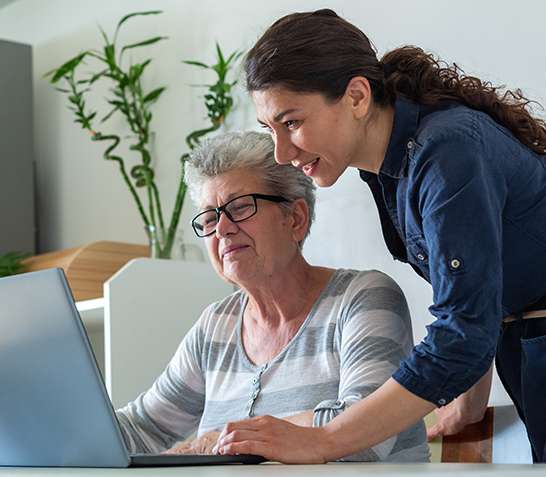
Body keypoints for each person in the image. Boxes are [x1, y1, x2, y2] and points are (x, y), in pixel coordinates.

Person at [213, 9, 546, 463]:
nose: (282, 152)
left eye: (291, 122)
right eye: (270, 129)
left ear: (356, 96)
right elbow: (473, 289)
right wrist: (471, 393)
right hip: (523, 342)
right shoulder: (388, 170)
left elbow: (462, 330)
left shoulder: (447, 152)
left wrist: (322, 439)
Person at [114, 130, 429, 462]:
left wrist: (221, 439)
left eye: (239, 207)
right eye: (209, 218)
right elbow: (143, 428)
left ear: (295, 218)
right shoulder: (216, 326)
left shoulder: (362, 299)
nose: (221, 229)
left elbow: (365, 434)